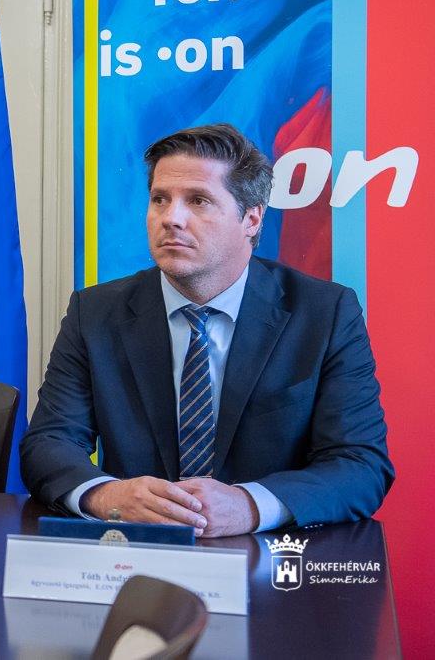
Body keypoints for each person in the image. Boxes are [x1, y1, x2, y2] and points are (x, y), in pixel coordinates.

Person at [20, 124, 393, 535]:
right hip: (135, 550)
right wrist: (107, 496)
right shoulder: (95, 312)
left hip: (272, 555)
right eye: (160, 199)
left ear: (251, 219)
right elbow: (48, 444)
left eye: (198, 200)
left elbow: (360, 465)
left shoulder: (324, 313)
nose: (171, 218)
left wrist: (250, 505)